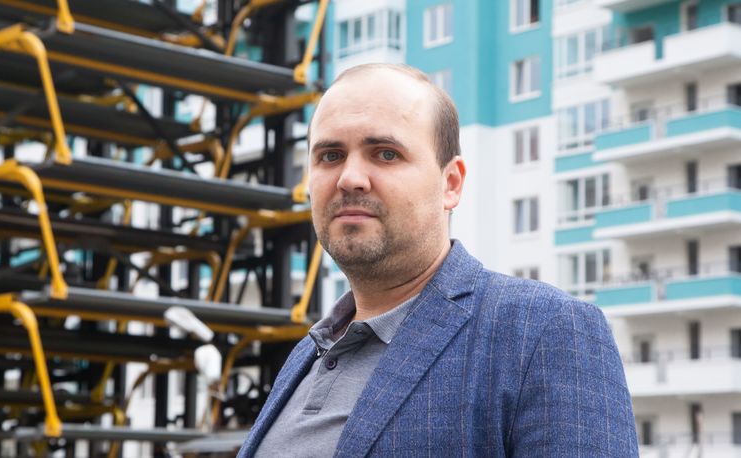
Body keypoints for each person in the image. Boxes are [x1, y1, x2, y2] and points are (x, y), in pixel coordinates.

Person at [238, 63, 638, 457]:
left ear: (451, 184)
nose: (350, 178)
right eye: (330, 156)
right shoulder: (306, 356)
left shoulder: (542, 331)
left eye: (386, 154)